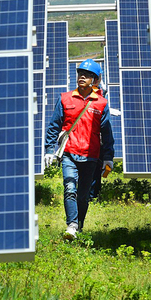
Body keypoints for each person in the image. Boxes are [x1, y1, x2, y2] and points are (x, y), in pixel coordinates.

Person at [44, 59, 114, 240]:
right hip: (69, 153)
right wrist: (49, 150)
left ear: (95, 81)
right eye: (80, 73)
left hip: (91, 157)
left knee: (83, 196)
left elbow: (106, 132)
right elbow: (54, 126)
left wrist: (108, 157)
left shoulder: (101, 103)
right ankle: (72, 225)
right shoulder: (65, 99)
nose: (82, 76)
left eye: (88, 75)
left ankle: (79, 223)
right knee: (69, 188)